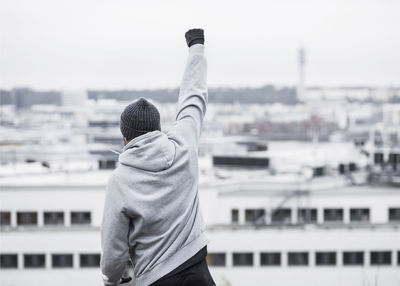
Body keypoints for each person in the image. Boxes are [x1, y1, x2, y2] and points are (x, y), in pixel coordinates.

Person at [100, 28, 215, 286]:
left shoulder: (120, 181)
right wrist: (196, 47)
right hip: (197, 271)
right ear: (157, 129)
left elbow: (113, 251)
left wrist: (112, 280)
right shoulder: (183, 145)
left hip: (156, 279)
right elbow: (193, 97)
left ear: (125, 137)